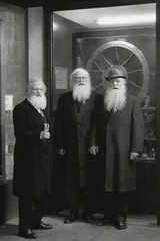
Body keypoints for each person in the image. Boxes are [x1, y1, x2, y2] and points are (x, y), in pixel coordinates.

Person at [97, 67, 144, 230]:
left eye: (118, 80)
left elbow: (138, 127)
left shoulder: (132, 101)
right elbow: (96, 125)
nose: (115, 83)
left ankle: (121, 217)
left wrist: (136, 149)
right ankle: (108, 216)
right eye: (112, 81)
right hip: (105, 151)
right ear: (108, 84)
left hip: (124, 151)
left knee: (122, 185)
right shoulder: (102, 101)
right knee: (107, 184)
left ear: (124, 82)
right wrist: (93, 143)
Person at [55, 68, 99, 224]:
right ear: (72, 81)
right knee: (70, 181)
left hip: (89, 148)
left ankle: (87, 213)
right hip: (70, 147)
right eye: (78, 78)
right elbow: (58, 123)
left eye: (83, 78)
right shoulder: (64, 98)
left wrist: (93, 143)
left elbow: (96, 123)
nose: (81, 80)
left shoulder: (95, 98)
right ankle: (73, 213)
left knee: (89, 181)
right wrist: (60, 144)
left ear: (88, 81)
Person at [13, 78, 53, 239]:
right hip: (28, 161)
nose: (38, 92)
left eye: (41, 90)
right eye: (35, 89)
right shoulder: (21, 109)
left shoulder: (42, 109)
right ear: (28, 90)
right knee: (27, 194)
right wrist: (39, 135)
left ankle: (36, 221)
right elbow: (20, 134)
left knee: (41, 192)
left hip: (42, 159)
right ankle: (25, 228)